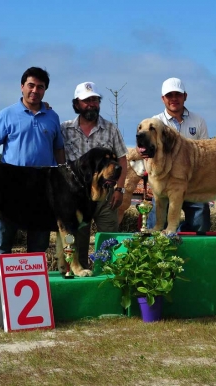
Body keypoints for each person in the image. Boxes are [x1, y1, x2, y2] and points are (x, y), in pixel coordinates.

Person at [0, 66, 66, 272]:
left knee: (39, 245)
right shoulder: (6, 114)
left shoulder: (52, 117)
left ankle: (35, 289)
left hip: (44, 191)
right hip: (11, 188)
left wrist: (63, 179)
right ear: (22, 87)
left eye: (40, 87)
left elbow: (59, 149)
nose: (35, 90)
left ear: (45, 90)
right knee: (3, 243)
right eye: (31, 85)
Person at [61, 81, 128, 271]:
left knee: (110, 241)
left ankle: (109, 278)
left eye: (95, 100)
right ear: (76, 104)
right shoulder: (64, 129)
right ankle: (80, 280)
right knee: (77, 245)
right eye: (86, 100)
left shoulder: (110, 128)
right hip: (77, 197)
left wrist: (120, 189)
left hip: (106, 196)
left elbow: (123, 161)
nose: (91, 104)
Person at [146, 77, 211, 232]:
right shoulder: (154, 122)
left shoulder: (199, 121)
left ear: (185, 96)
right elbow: (149, 154)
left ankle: (179, 231)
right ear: (163, 99)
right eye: (169, 95)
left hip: (193, 183)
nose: (174, 98)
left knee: (201, 227)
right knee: (155, 225)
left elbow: (205, 154)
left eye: (178, 94)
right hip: (164, 184)